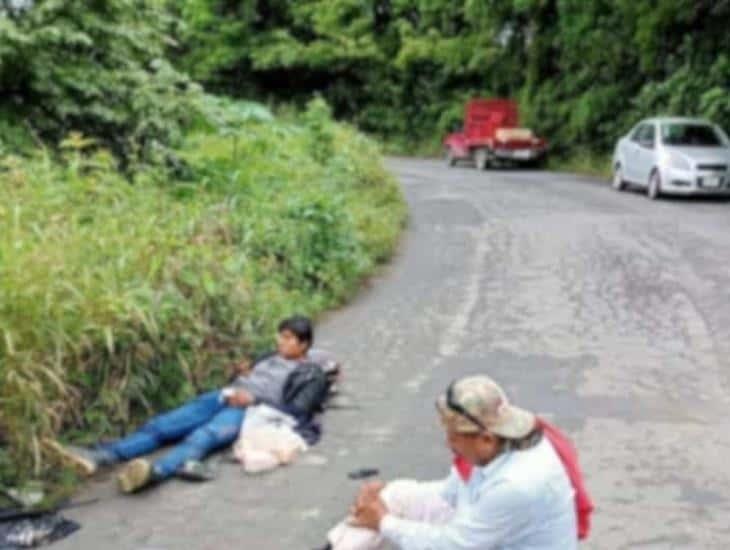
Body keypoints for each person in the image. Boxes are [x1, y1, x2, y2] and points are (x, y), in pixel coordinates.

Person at [46, 315, 335, 493]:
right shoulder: (268, 356)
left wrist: (254, 398)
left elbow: (299, 411)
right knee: (164, 425)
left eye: (287, 338)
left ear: (303, 345)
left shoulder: (311, 374)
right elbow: (247, 375)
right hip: (226, 395)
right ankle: (103, 455)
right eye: (280, 335)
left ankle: (155, 473)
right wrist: (240, 373)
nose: (280, 341)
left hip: (251, 411)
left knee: (204, 437)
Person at [346, 375, 580, 549]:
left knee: (387, 521)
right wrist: (379, 505)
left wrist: (384, 522)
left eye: (454, 437)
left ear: (486, 439)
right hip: (484, 530)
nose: (448, 444)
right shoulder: (498, 445)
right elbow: (450, 494)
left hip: (475, 541)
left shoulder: (515, 485)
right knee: (396, 495)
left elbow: (456, 545)